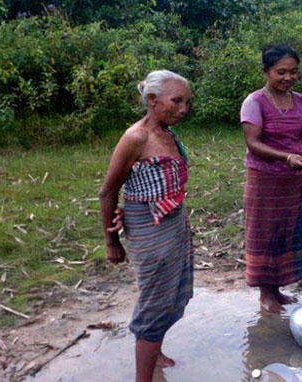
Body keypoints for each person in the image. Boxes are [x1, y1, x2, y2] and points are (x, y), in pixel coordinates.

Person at [98, 70, 193, 382]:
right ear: (152, 100)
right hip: (149, 231)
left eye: (186, 102)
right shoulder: (136, 137)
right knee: (154, 301)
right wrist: (112, 242)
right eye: (176, 101)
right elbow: (108, 191)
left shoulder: (167, 133)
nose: (183, 109)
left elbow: (148, 185)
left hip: (174, 224)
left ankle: (155, 351)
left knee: (172, 295)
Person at [240, 44, 302, 313]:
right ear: (266, 71)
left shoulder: (300, 101)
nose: (288, 77)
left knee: (288, 233)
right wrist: (286, 157)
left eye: (294, 72)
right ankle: (266, 294)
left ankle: (277, 290)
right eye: (281, 72)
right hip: (265, 181)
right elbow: (253, 143)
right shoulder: (254, 102)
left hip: (294, 181)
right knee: (266, 235)